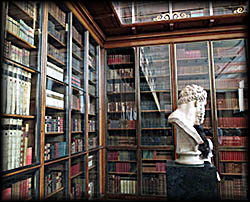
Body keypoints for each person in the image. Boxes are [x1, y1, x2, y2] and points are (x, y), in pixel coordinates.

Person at [168, 84, 208, 165]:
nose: (204, 110)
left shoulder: (183, 121)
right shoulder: (176, 118)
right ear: (197, 103)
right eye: (203, 105)